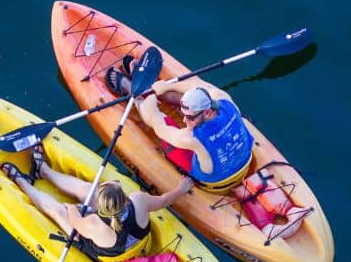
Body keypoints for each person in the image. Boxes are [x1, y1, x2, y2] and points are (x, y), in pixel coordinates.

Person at [1, 143, 194, 262]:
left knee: (58, 211)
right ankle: (44, 170)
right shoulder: (138, 200)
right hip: (139, 244)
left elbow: (74, 218)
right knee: (87, 188)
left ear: (100, 205)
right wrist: (181, 189)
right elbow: (164, 201)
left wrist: (71, 207)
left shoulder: (94, 223)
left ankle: (22, 181)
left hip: (112, 261)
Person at [106, 60, 254, 190]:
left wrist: (151, 105)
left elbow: (160, 128)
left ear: (208, 112)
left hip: (215, 181)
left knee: (162, 118)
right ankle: (151, 88)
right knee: (186, 101)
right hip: (243, 162)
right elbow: (199, 86)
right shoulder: (225, 100)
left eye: (189, 118)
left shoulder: (192, 138)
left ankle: (134, 93)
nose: (184, 121)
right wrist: (168, 86)